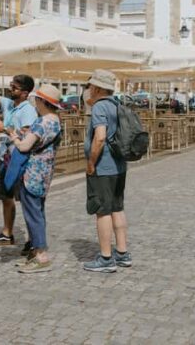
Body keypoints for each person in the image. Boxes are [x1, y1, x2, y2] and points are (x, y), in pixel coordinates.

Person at [6, 85, 63, 274]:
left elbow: (23, 147)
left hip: (31, 173)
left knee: (33, 215)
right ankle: (35, 253)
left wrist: (13, 136)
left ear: (41, 102)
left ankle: (41, 256)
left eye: (36, 100)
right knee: (38, 212)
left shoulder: (41, 122)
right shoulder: (55, 121)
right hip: (45, 173)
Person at [0, 61, 37, 250]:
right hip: (4, 158)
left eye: (14, 87)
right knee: (6, 197)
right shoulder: (9, 104)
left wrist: (2, 129)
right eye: (10, 85)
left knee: (25, 200)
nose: (10, 88)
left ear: (25, 92)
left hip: (18, 160)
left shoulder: (28, 110)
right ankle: (7, 232)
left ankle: (32, 239)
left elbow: (26, 134)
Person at [82, 70, 131, 273]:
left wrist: (91, 162)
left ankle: (106, 257)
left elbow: (100, 137)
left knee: (103, 211)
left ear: (98, 87)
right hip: (119, 165)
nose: (89, 89)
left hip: (104, 165)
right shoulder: (117, 104)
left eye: (91, 86)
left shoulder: (100, 107)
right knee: (117, 208)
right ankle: (122, 253)